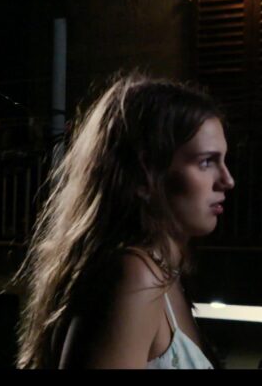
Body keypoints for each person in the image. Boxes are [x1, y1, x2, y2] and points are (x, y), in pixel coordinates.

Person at [13, 72, 235, 368]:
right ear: (144, 174)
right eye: (206, 162)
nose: (227, 180)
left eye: (223, 160)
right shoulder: (135, 275)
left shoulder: (165, 274)